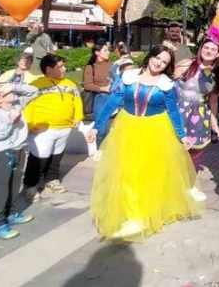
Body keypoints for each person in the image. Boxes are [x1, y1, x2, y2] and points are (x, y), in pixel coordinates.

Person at [87, 45, 203, 240]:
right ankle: (133, 214)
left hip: (155, 130)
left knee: (148, 173)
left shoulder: (166, 84)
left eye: (165, 61)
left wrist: (182, 136)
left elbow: (173, 111)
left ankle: (142, 214)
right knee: (127, 171)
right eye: (157, 57)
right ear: (150, 56)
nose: (159, 63)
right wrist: (96, 127)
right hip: (128, 128)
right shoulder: (128, 76)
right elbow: (113, 102)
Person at [0, 82, 38, 240]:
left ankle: (11, 213)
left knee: (14, 185)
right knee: (0, 188)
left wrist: (13, 86)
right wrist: (10, 121)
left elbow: (34, 91)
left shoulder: (17, 104)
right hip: (3, 154)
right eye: (2, 90)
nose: (8, 90)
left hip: (19, 150)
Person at [21, 54, 83, 202]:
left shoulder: (70, 84)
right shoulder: (36, 84)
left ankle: (52, 179)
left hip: (64, 128)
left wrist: (78, 117)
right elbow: (28, 105)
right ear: (49, 69)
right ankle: (30, 185)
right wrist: (29, 124)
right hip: (42, 129)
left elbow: (77, 101)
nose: (64, 69)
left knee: (57, 155)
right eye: (60, 66)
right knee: (39, 157)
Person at [174, 27, 219, 199]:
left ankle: (190, 185)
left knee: (196, 151)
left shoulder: (216, 75)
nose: (209, 51)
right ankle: (172, 183)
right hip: (178, 111)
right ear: (201, 48)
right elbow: (169, 88)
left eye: (213, 49)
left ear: (218, 54)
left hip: (199, 115)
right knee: (175, 149)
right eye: (206, 47)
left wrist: (215, 123)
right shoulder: (185, 65)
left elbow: (213, 100)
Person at [83, 43, 112, 118]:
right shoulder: (90, 67)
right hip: (101, 98)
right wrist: (103, 89)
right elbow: (87, 85)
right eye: (105, 50)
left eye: (108, 50)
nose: (108, 52)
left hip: (115, 97)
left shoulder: (112, 64)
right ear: (97, 52)